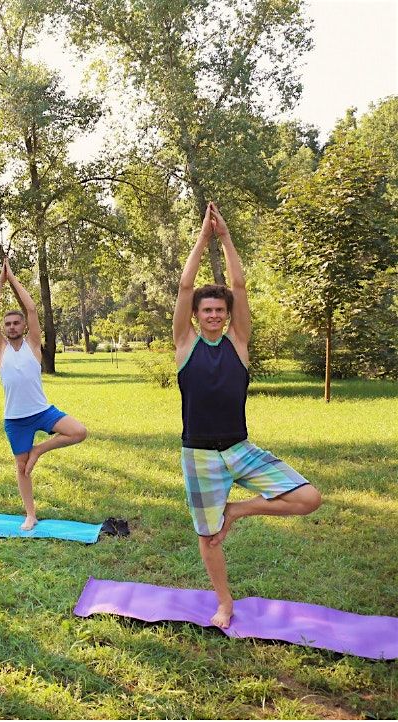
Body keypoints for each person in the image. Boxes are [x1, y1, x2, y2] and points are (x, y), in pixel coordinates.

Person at [174, 202, 322, 628]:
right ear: (198, 315)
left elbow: (239, 284)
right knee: (207, 537)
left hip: (240, 449)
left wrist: (225, 238)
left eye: (221, 309)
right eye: (208, 310)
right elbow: (185, 289)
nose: (215, 314)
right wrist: (203, 238)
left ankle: (236, 510)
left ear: (228, 313)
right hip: (199, 455)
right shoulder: (185, 345)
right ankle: (225, 603)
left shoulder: (239, 342)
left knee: (308, 498)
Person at [0, 260, 87, 530]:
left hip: (42, 411)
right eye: (8, 324)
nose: (10, 326)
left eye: (16, 323)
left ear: (23, 326)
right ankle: (30, 514)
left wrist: (13, 279)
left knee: (78, 431)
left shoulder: (33, 345)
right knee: (22, 469)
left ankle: (39, 450)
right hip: (15, 419)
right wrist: (0, 281)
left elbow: (31, 308)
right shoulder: (1, 350)